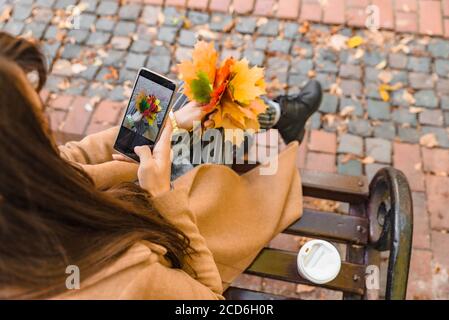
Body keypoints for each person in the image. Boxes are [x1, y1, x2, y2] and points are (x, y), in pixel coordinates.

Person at [0, 32, 321, 299]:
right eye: (39, 117)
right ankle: (283, 117)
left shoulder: (17, 196)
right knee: (218, 126)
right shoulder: (126, 277)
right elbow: (207, 297)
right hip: (171, 231)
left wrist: (167, 125)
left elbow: (70, 159)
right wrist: (162, 192)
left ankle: (281, 115)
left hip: (129, 194)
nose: (48, 124)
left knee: (191, 104)